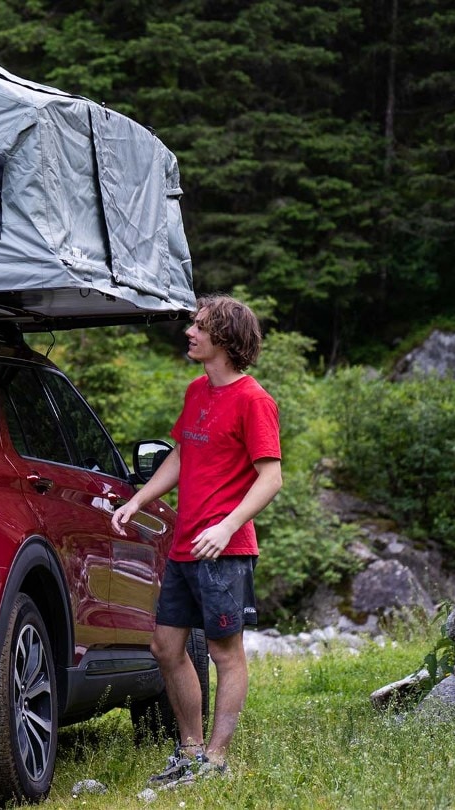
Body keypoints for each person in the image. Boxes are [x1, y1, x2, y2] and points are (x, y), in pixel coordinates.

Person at [110, 294, 283, 785]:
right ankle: (190, 753)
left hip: (225, 550)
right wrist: (138, 501)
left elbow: (269, 478)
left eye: (200, 326)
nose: (190, 331)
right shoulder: (196, 391)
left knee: (227, 653)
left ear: (225, 339)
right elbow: (181, 456)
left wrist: (227, 525)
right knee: (165, 647)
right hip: (185, 545)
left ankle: (217, 759)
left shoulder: (254, 399)